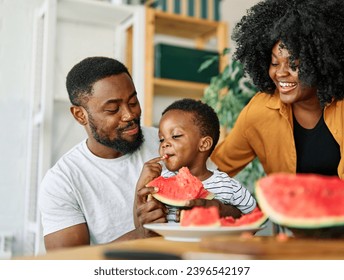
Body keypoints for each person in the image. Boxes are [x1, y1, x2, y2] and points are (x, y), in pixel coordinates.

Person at [38, 57, 165, 250]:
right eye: (112, 109)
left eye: (133, 102)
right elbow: (65, 265)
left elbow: (223, 197)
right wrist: (140, 235)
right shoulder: (62, 182)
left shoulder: (168, 142)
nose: (129, 115)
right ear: (80, 115)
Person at [211, 0, 344, 179]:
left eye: (294, 65)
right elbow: (217, 169)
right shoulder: (259, 111)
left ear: (321, 64)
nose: (280, 73)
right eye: (274, 63)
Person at [135, 98, 256, 226]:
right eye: (161, 139)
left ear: (204, 144)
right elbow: (141, 226)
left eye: (175, 136)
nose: (165, 144)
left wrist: (223, 211)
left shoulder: (228, 186)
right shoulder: (159, 183)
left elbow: (255, 219)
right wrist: (141, 186)